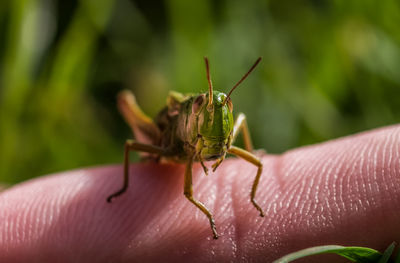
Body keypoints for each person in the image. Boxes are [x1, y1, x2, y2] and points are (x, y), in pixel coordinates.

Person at [1, 125, 399, 263]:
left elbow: (253, 160)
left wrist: (254, 197)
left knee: (256, 162)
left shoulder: (225, 125)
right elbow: (133, 145)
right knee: (129, 139)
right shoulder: (181, 130)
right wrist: (209, 216)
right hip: (167, 143)